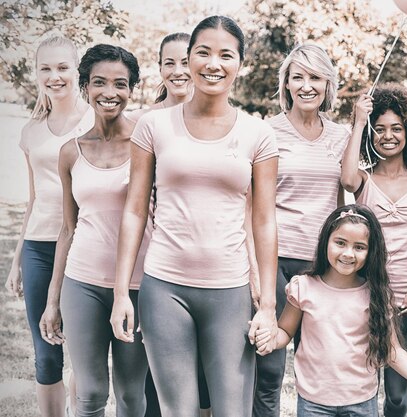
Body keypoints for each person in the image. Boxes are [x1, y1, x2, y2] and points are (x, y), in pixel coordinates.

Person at [110, 15, 279, 417]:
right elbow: (134, 211)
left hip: (231, 291)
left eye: (226, 55)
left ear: (240, 64)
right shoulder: (153, 126)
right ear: (187, 59)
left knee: (232, 412)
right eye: (203, 52)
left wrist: (268, 304)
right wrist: (120, 294)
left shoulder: (258, 134)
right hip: (164, 289)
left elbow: (264, 221)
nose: (213, 63)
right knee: (177, 412)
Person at [38, 43, 148, 417]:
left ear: (132, 89)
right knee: (89, 394)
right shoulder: (71, 151)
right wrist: (53, 300)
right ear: (85, 86)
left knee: (132, 395)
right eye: (99, 82)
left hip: (137, 284)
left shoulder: (147, 145)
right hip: (81, 282)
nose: (110, 93)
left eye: (121, 83)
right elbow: (67, 228)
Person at [255, 204, 407, 416]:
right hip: (313, 403)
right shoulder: (303, 287)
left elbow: (392, 352)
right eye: (340, 243)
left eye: (359, 247)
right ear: (325, 242)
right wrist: (271, 338)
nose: (348, 253)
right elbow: (285, 332)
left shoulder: (375, 295)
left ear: (370, 251)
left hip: (361, 403)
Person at [254, 43, 350, 417]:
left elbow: (347, 196)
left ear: (328, 84)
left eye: (315, 77)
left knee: (321, 364)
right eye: (298, 77)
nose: (307, 86)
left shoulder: (341, 136)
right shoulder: (266, 131)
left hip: (321, 266)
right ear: (287, 84)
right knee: (270, 368)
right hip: (274, 261)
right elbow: (254, 206)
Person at [4, 35, 94, 417]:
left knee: (83, 352)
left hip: (86, 245)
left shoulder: (97, 120)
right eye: (46, 68)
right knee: (46, 353)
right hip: (40, 248)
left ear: (77, 70)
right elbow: (34, 199)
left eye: (62, 67)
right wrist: (17, 258)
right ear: (36, 73)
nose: (54, 76)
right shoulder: (31, 131)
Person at [341, 84, 407, 416]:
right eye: (379, 129)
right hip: (367, 293)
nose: (388, 136)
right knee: (361, 383)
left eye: (396, 128)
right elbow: (347, 178)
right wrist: (358, 121)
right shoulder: (364, 180)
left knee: (396, 394)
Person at [127, 32, 193, 123]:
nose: (177, 72)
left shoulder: (215, 119)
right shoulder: (138, 119)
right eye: (170, 63)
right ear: (160, 68)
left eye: (186, 63)